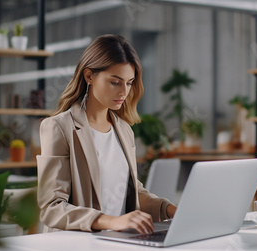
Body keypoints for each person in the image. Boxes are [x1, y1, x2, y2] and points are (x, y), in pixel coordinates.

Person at [37, 34, 177, 235]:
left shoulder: (124, 130)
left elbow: (133, 192)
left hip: (115, 245)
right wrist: (111, 221)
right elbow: (52, 208)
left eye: (129, 83)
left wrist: (172, 210)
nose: (124, 92)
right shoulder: (59, 127)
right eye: (115, 82)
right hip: (74, 248)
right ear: (89, 76)